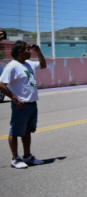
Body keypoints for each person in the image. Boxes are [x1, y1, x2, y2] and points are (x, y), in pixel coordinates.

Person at [0, 41, 47, 169]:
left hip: (32, 104)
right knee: (15, 132)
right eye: (27, 49)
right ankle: (15, 159)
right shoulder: (12, 66)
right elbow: (1, 84)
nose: (29, 51)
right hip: (21, 105)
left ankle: (27, 156)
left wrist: (38, 52)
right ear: (20, 52)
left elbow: (43, 65)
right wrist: (14, 98)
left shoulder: (29, 64)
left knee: (27, 131)